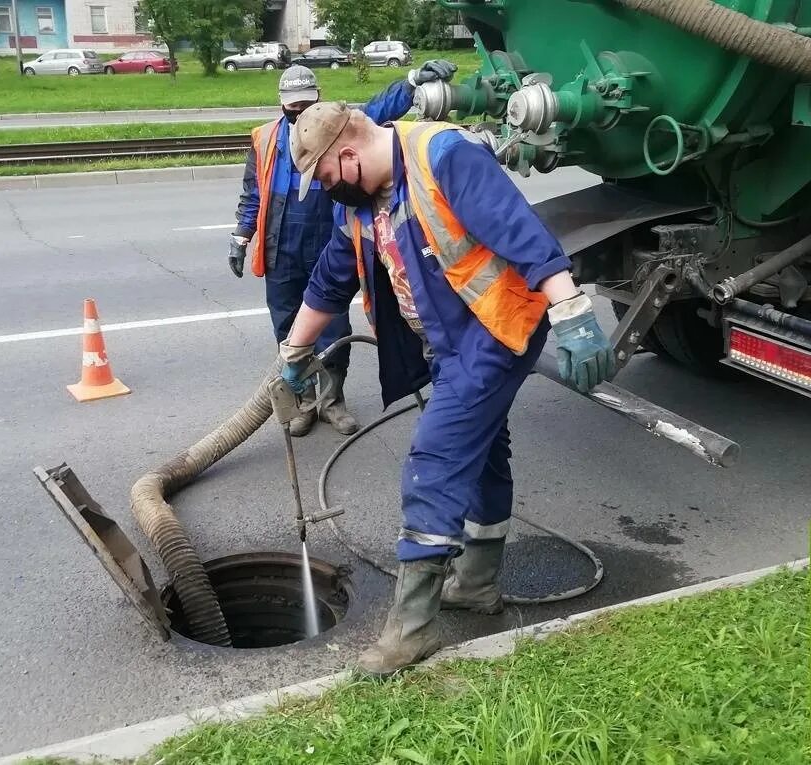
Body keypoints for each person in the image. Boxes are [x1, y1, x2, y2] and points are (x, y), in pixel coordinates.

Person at [279, 102, 617, 676]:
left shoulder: (444, 156)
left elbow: (520, 231)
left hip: (497, 330)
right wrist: (293, 353)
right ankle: (477, 585)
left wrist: (573, 309)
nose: (329, 191)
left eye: (329, 177)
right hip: (449, 341)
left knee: (434, 460)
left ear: (348, 150)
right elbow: (330, 280)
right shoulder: (363, 204)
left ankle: (412, 629)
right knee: (482, 454)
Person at [228, 60, 458, 437]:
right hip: (281, 247)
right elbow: (253, 192)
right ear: (281, 103)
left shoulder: (335, 128)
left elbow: (381, 109)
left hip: (324, 242)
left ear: (317, 98)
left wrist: (413, 82)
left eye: (306, 103)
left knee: (332, 330)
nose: (300, 111)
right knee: (290, 328)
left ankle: (332, 400)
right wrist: (241, 235)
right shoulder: (265, 138)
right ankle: (302, 404)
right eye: (293, 105)